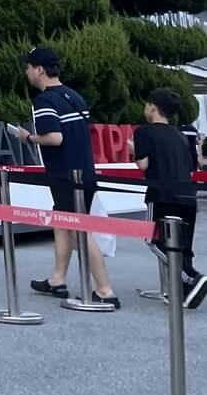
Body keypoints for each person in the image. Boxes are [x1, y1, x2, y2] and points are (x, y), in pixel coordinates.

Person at [18, 46, 119, 309]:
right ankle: (57, 279)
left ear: (39, 69)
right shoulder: (75, 96)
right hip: (84, 170)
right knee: (62, 222)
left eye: (28, 67)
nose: (26, 71)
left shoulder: (44, 101)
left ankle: (105, 290)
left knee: (78, 230)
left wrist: (28, 137)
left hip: (64, 173)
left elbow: (54, 138)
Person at [131, 88, 207, 309]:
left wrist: (133, 150)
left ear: (153, 107)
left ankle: (190, 277)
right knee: (183, 245)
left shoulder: (144, 133)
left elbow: (143, 164)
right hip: (187, 195)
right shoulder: (181, 135)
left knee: (155, 240)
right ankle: (185, 292)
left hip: (161, 193)